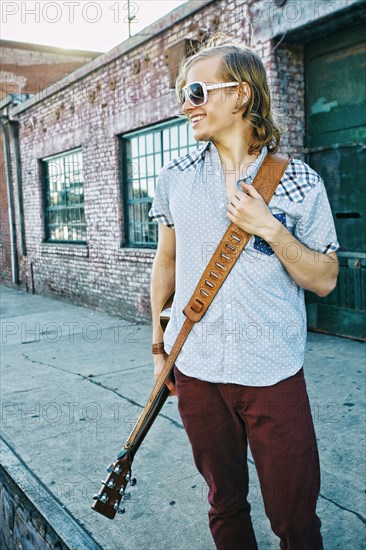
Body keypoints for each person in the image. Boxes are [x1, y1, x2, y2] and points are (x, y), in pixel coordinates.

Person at [148, 35, 339, 550]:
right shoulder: (174, 179)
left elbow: (324, 277)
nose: (187, 106)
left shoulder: (298, 181)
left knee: (296, 518)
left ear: (241, 95)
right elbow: (165, 262)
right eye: (184, 95)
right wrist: (158, 343)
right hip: (198, 370)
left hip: (272, 370)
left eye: (197, 92)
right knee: (224, 504)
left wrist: (271, 229)